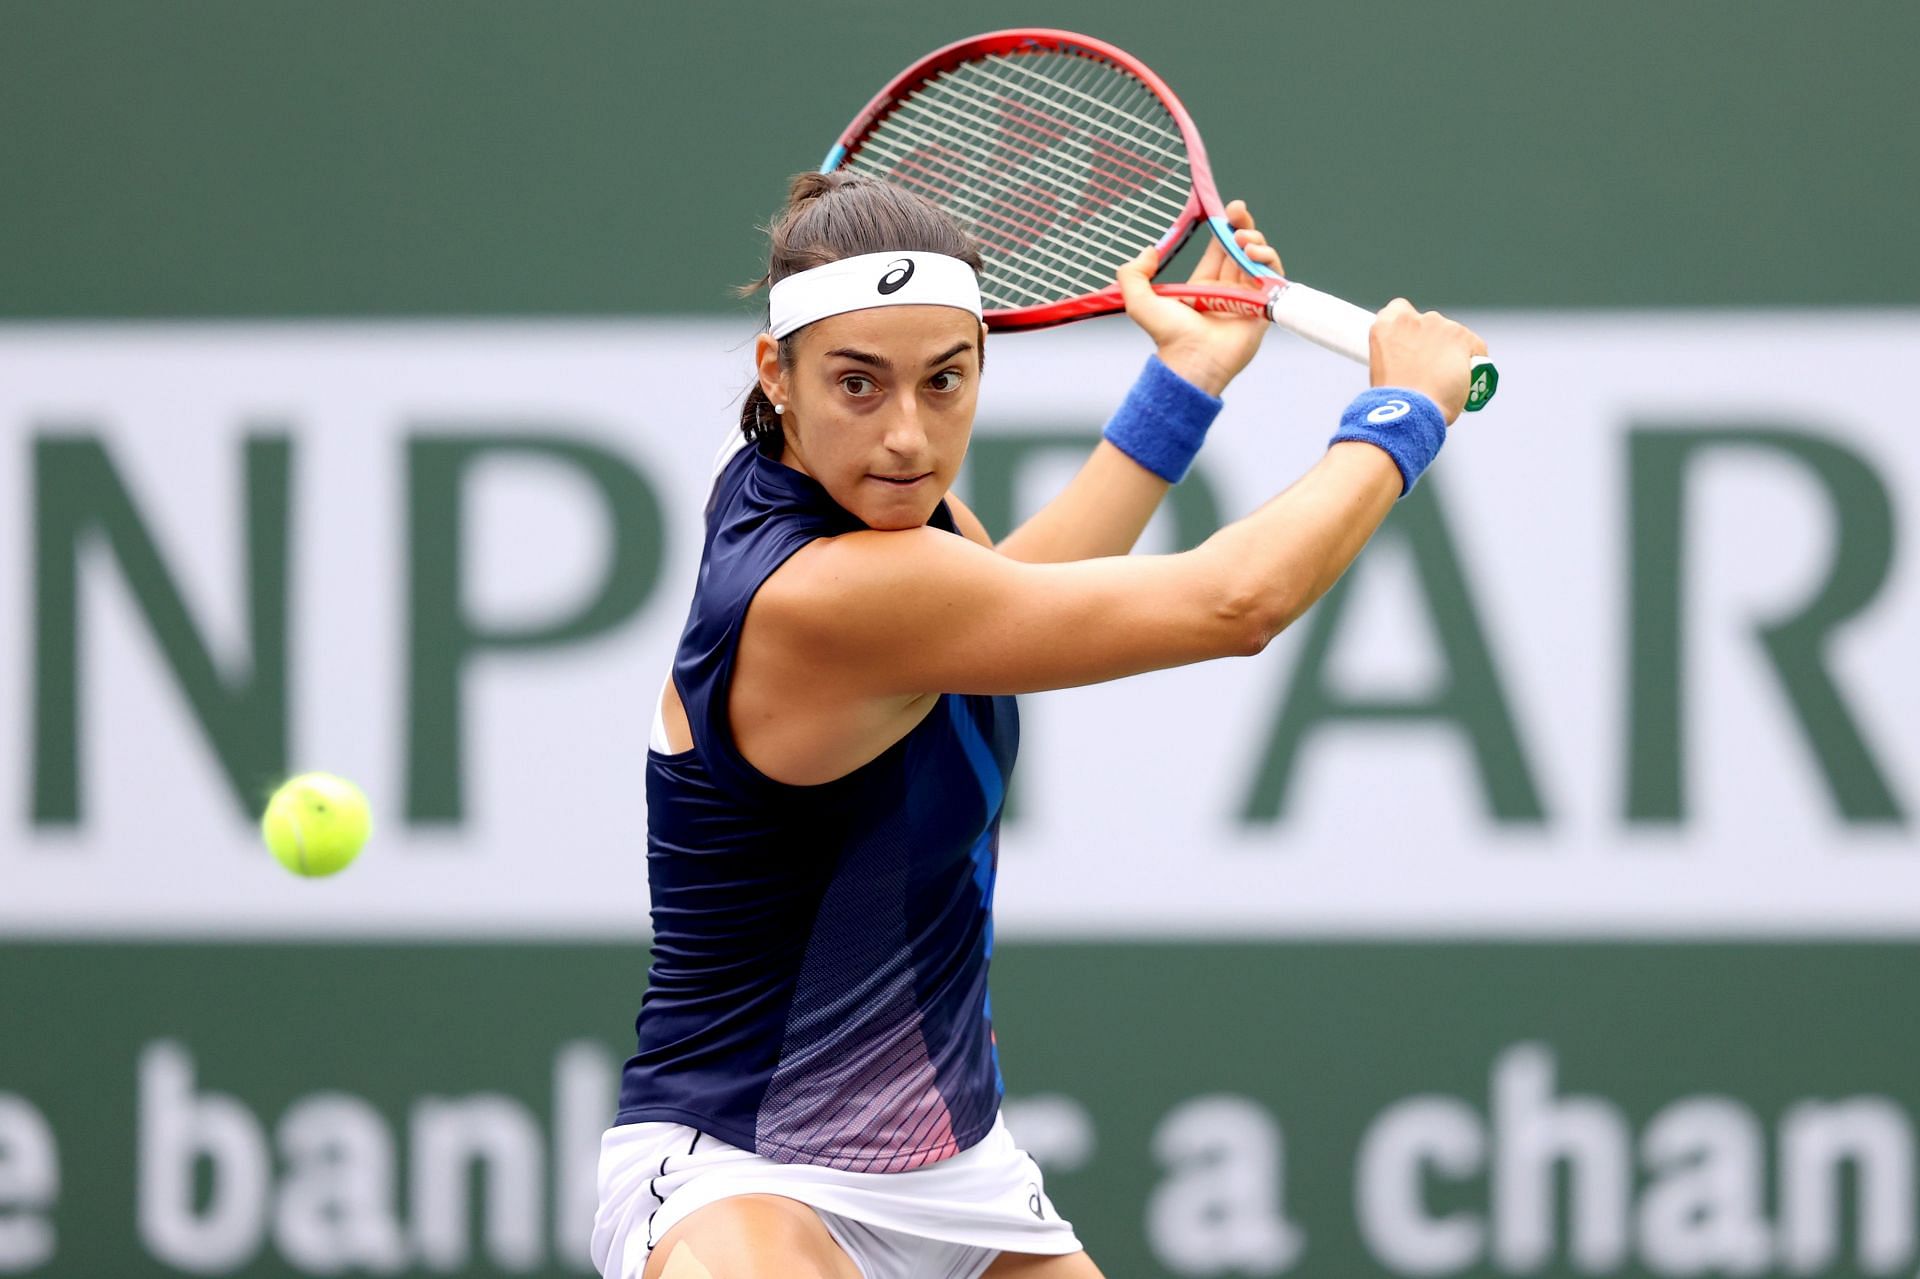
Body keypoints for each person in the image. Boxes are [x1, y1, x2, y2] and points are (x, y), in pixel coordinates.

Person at [592, 171, 1486, 1279]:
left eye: (945, 381)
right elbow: (1235, 604)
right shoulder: (822, 593)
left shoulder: (875, 518)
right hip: (743, 1169)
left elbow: (1007, 598)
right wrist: (1402, 412)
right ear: (777, 372)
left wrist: (1184, 383)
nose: (908, 437)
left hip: (955, 1172)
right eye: (858, 384)